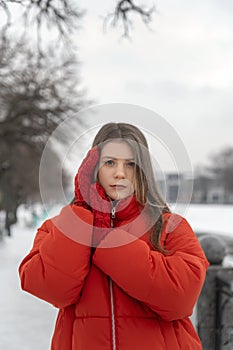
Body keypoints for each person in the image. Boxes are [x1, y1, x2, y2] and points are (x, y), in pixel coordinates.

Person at [19, 122, 209, 350]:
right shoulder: (62, 227)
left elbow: (180, 299)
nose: (120, 173)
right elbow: (54, 289)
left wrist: (107, 240)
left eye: (130, 164)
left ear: (143, 170)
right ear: (92, 168)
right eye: (109, 162)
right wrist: (84, 216)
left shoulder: (170, 226)